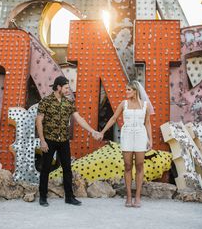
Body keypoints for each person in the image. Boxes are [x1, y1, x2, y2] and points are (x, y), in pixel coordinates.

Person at [36, 75, 102, 207]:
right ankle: (42, 197)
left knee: (67, 169)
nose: (68, 90)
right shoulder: (46, 101)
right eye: (66, 88)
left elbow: (79, 119)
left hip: (64, 140)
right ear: (58, 87)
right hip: (49, 140)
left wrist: (92, 131)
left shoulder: (69, 103)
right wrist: (42, 141)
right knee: (46, 168)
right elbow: (39, 121)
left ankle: (69, 197)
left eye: (68, 88)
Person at [99, 80, 154, 208]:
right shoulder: (123, 104)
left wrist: (150, 139)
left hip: (140, 134)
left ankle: (138, 197)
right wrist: (102, 131)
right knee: (128, 165)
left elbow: (147, 123)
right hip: (127, 134)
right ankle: (129, 197)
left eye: (129, 89)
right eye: (126, 89)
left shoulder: (145, 105)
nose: (126, 92)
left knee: (140, 165)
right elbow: (113, 118)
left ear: (135, 91)